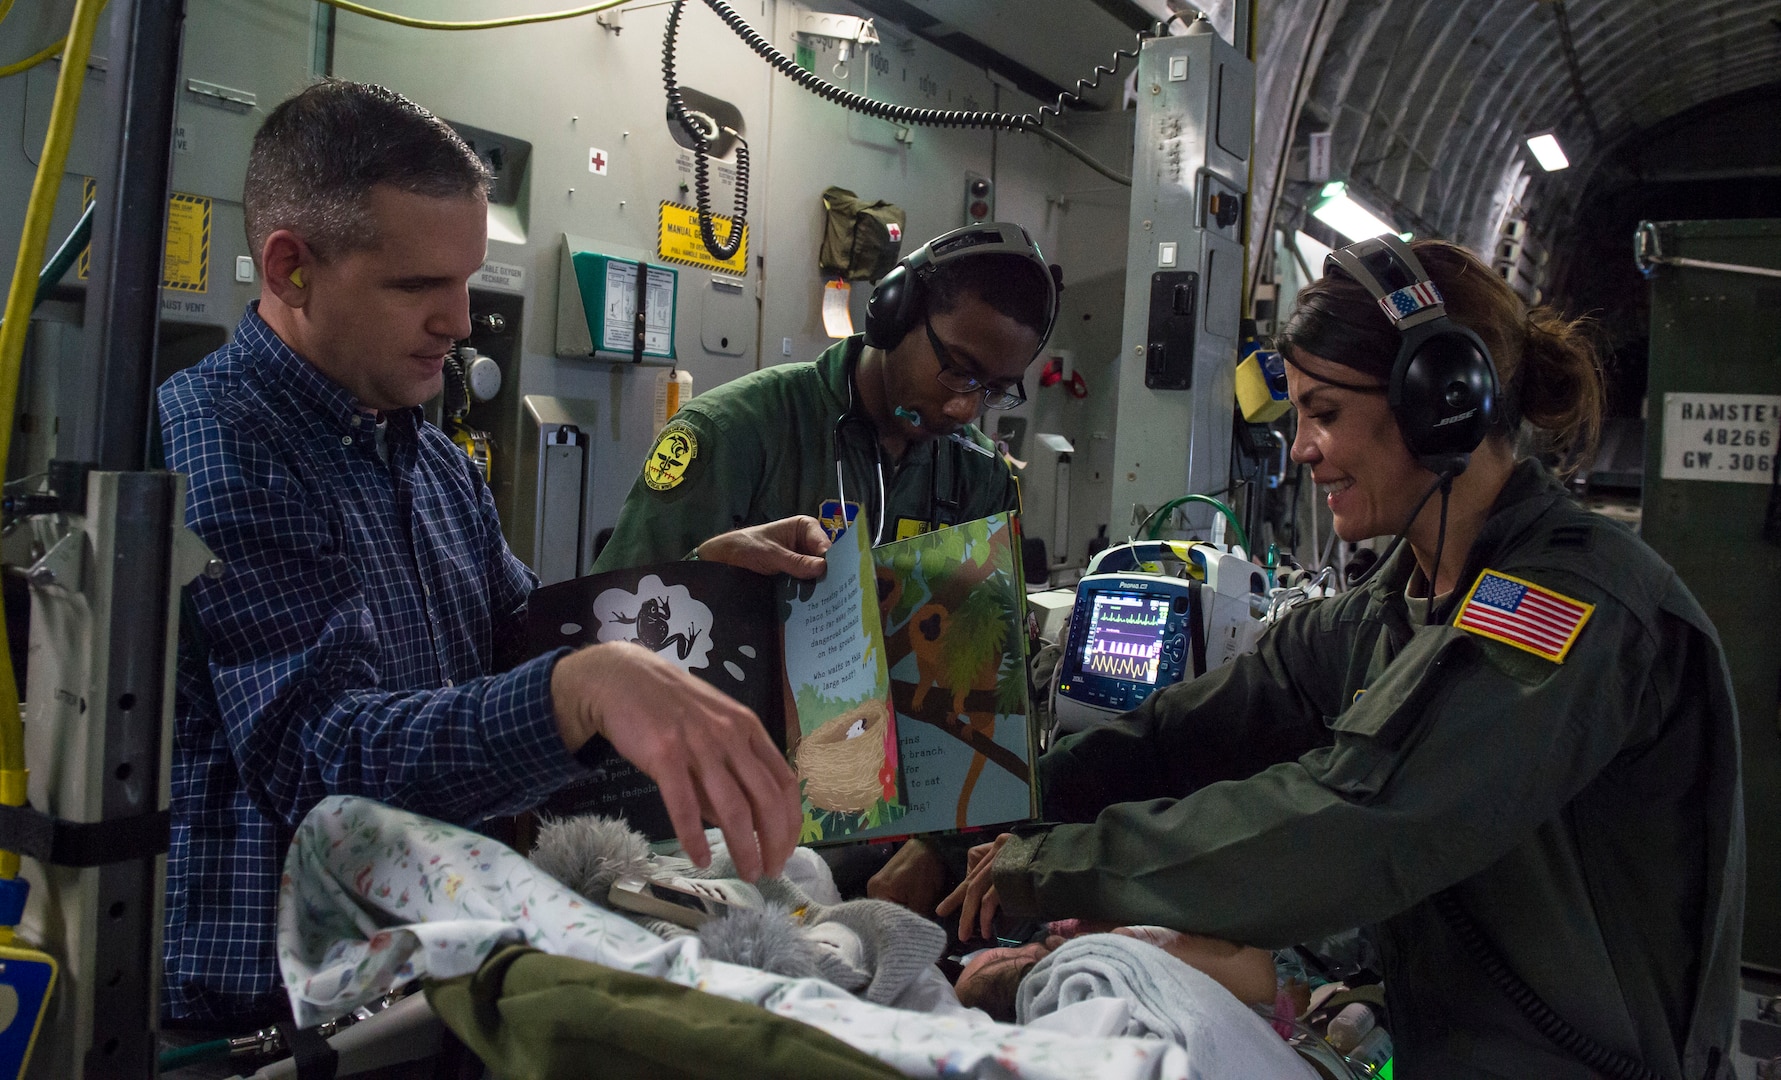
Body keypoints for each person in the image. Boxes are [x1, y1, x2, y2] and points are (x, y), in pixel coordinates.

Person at [938, 237, 1745, 1079]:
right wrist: (1001, 814)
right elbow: (1193, 728)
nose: (1300, 450)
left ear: (1440, 407)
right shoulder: (1388, 611)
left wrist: (1054, 869)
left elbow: (1354, 822)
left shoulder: (1568, 611)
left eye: (1323, 414)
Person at [158, 80, 822, 1026]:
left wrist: (701, 581)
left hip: (425, 977)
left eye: (467, 280)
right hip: (272, 1012)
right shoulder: (221, 451)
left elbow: (519, 636)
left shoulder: (427, 460)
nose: (462, 320)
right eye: (418, 286)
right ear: (292, 267)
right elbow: (323, 765)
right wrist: (581, 688)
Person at [591, 220, 1060, 572]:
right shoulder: (732, 432)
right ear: (895, 315)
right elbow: (611, 626)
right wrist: (705, 575)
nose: (965, 409)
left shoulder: (978, 473)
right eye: (958, 370)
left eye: (993, 390)